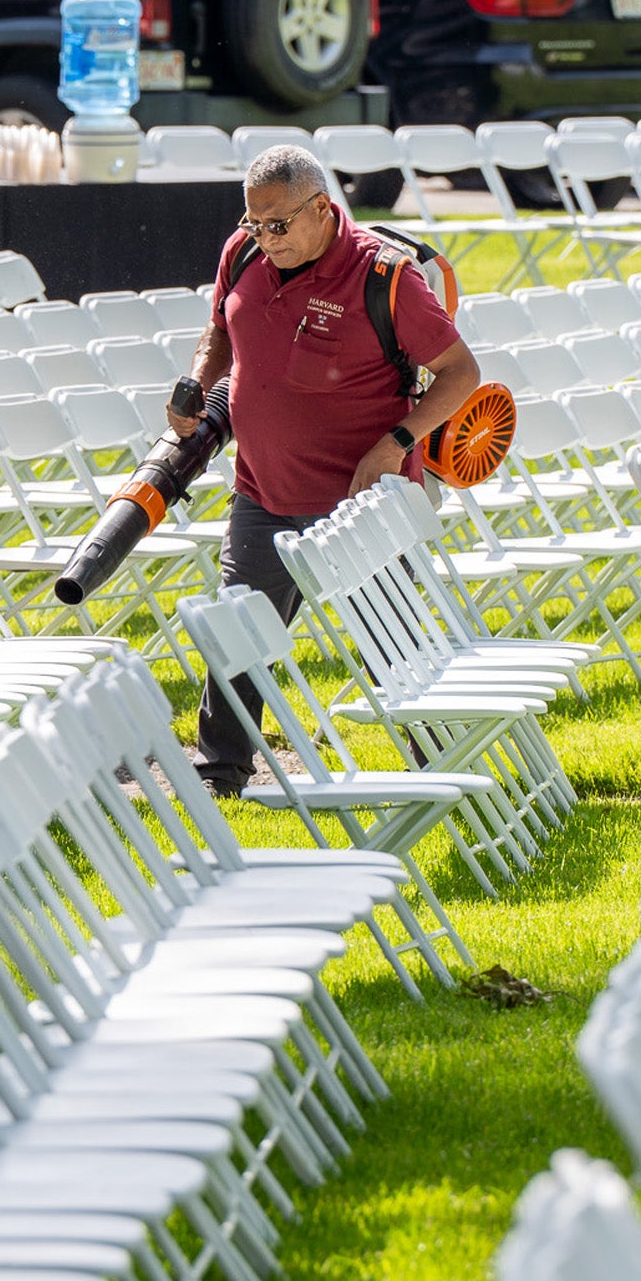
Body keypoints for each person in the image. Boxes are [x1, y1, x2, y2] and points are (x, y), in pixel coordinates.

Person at [174, 144, 483, 799]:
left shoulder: (386, 277)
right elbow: (219, 333)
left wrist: (394, 443)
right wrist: (198, 382)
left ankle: (443, 773)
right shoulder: (244, 252)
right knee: (237, 636)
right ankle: (219, 777)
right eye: (252, 222)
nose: (263, 237)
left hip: (360, 503)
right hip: (262, 489)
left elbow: (462, 373)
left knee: (391, 647)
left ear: (322, 209)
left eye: (277, 225)